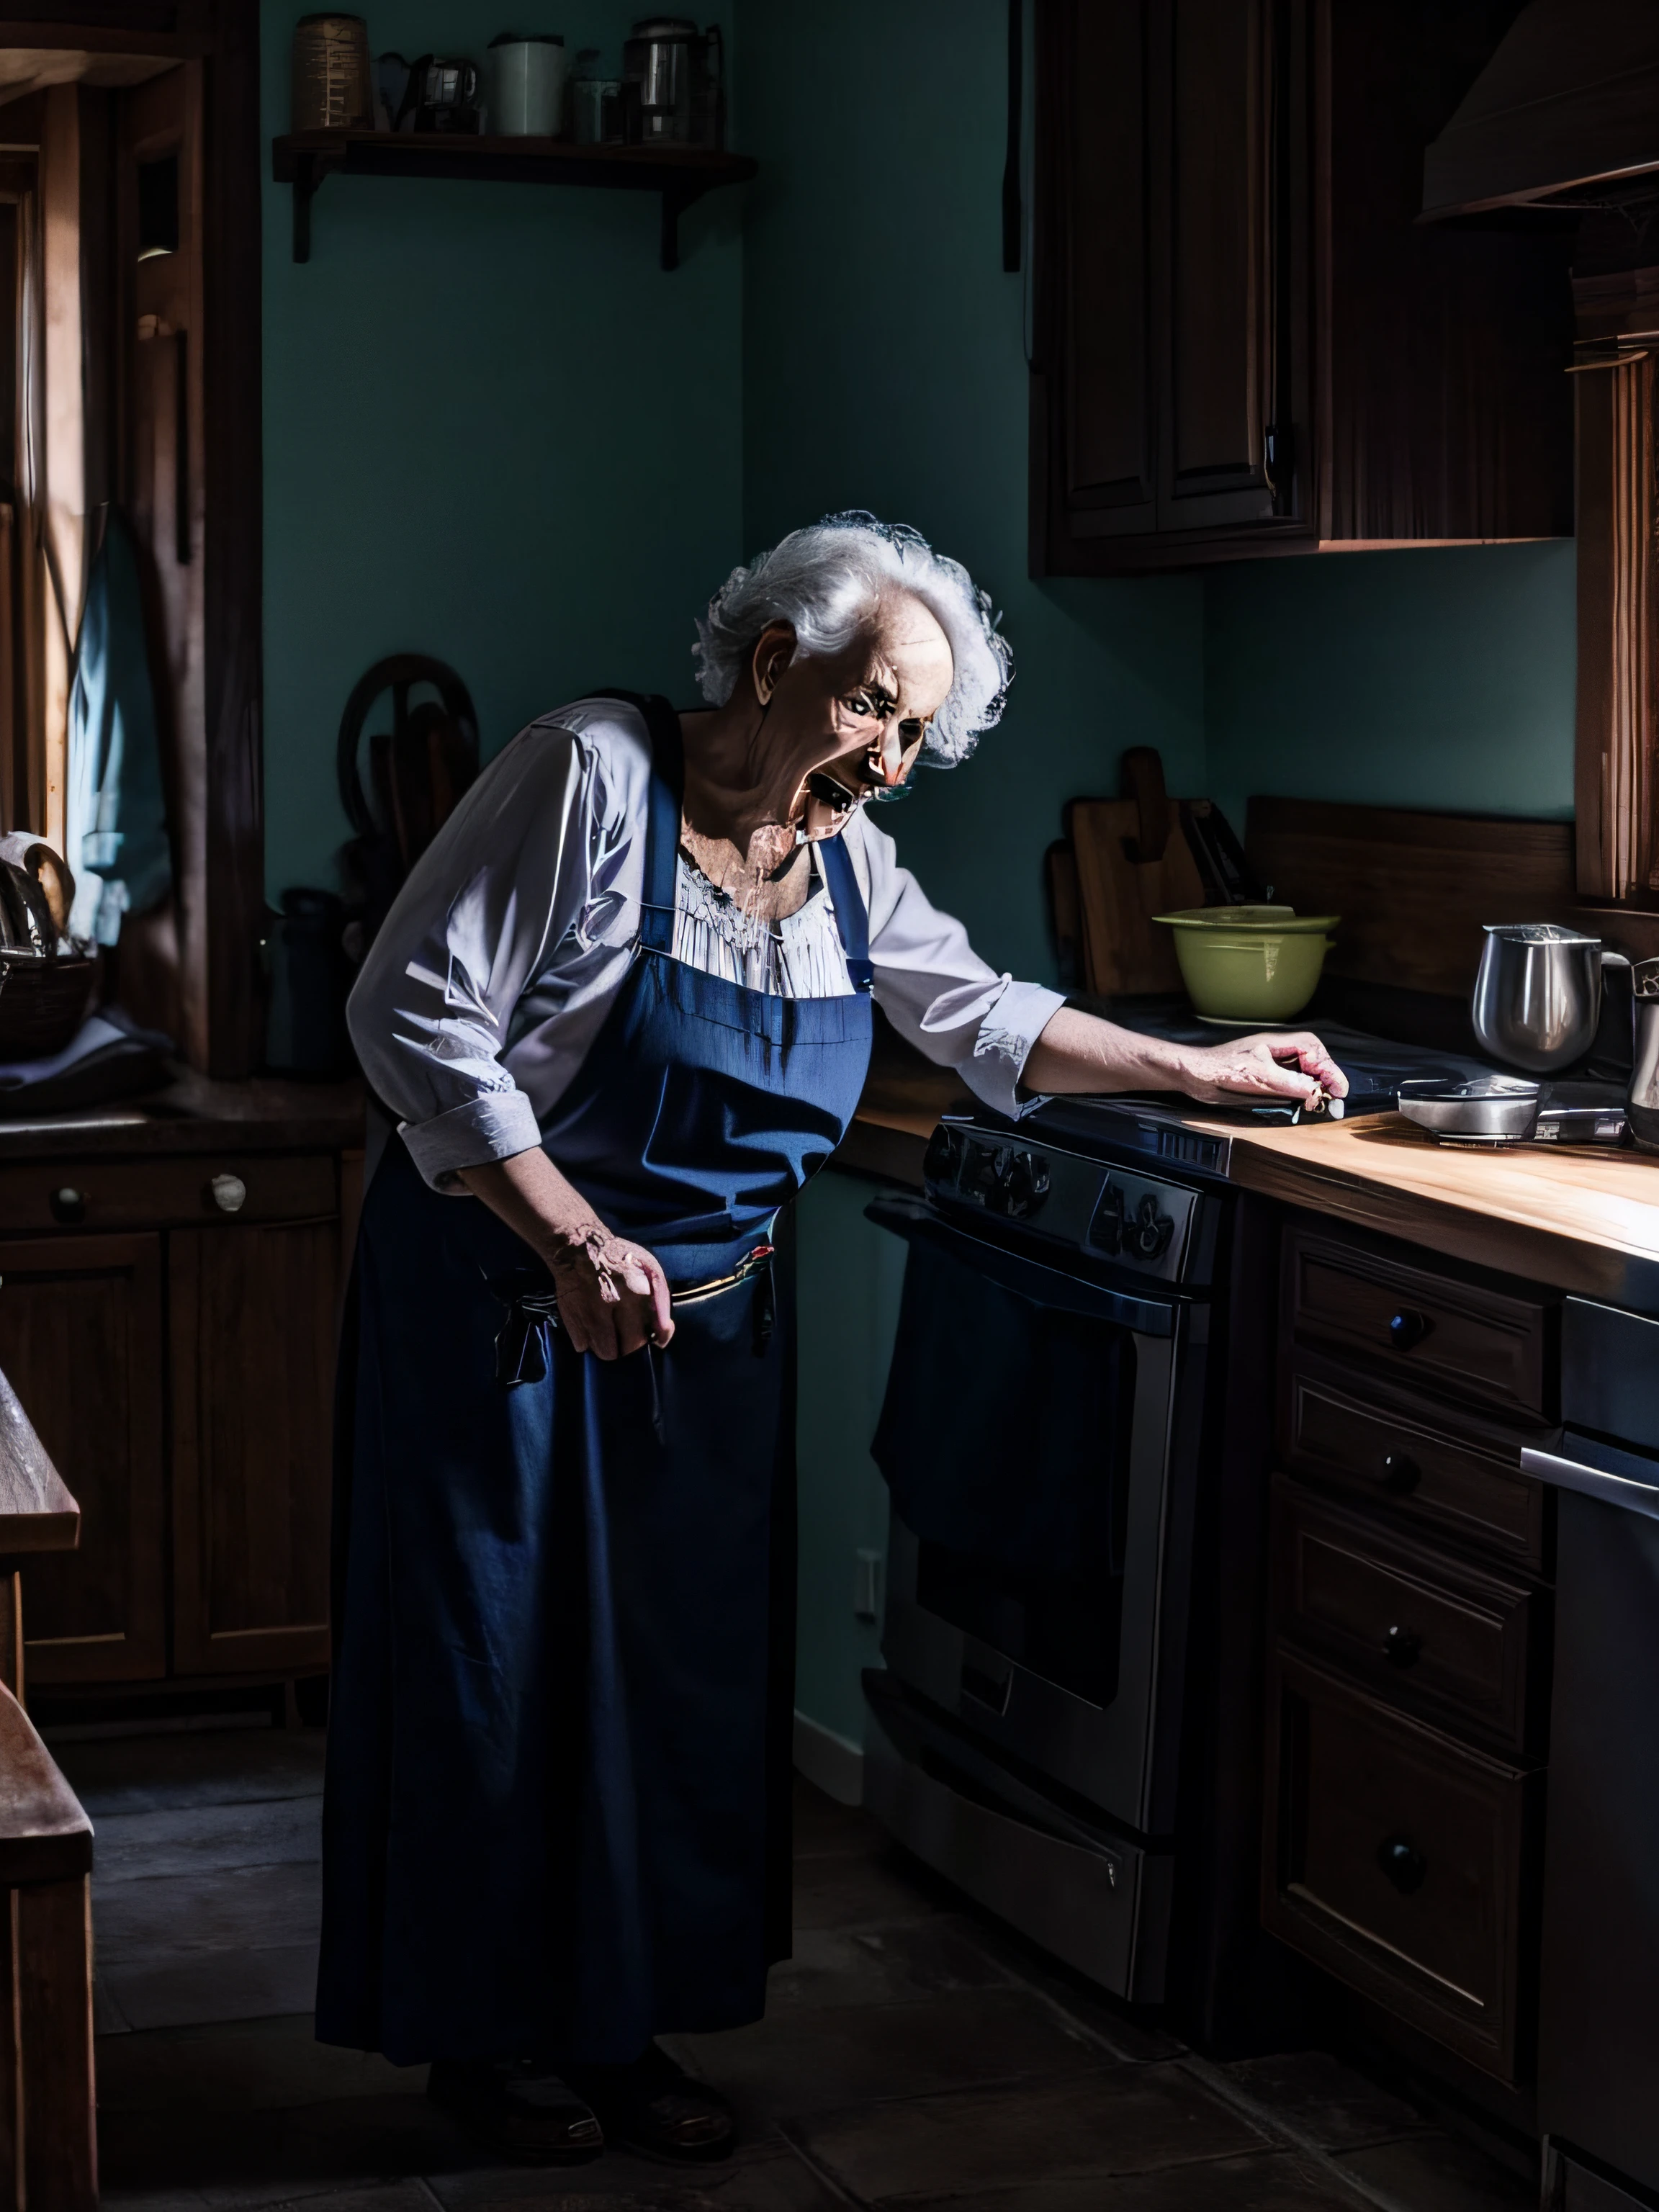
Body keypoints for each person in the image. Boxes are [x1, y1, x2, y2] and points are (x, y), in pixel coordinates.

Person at [319, 513, 1346, 2164]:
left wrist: (1193, 1068)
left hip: (701, 1337)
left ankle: (624, 2026)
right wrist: (573, 1236)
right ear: (775, 661)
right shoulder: (588, 774)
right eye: (876, 709)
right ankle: (483, 2039)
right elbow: (410, 1005)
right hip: (505, 1310)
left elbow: (973, 1009)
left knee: (674, 1688)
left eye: (922, 732)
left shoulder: (845, 860)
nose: (893, 759)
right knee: (490, 1676)